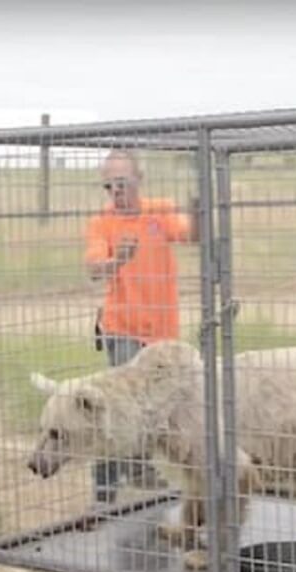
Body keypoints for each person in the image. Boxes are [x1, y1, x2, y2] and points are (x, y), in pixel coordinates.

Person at [84, 148, 193, 504]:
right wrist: (118, 260)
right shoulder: (102, 222)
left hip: (161, 331)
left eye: (122, 182)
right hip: (122, 328)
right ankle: (105, 488)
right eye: (109, 185)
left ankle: (142, 471)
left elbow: (192, 235)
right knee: (119, 404)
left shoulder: (158, 212)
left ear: (138, 180)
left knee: (158, 406)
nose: (116, 190)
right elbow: (95, 268)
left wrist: (201, 209)